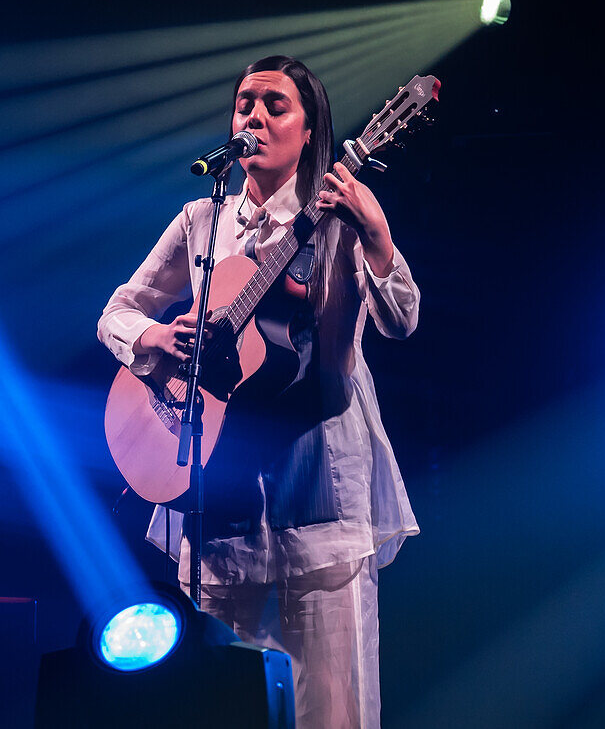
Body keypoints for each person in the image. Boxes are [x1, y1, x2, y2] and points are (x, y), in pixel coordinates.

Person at [97, 55, 420, 728]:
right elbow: (116, 313)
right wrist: (156, 339)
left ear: (311, 131)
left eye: (276, 106)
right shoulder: (200, 222)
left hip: (320, 490)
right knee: (222, 703)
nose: (255, 117)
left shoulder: (336, 213)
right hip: (221, 496)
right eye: (245, 103)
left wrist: (378, 234)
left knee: (334, 709)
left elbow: (403, 318)